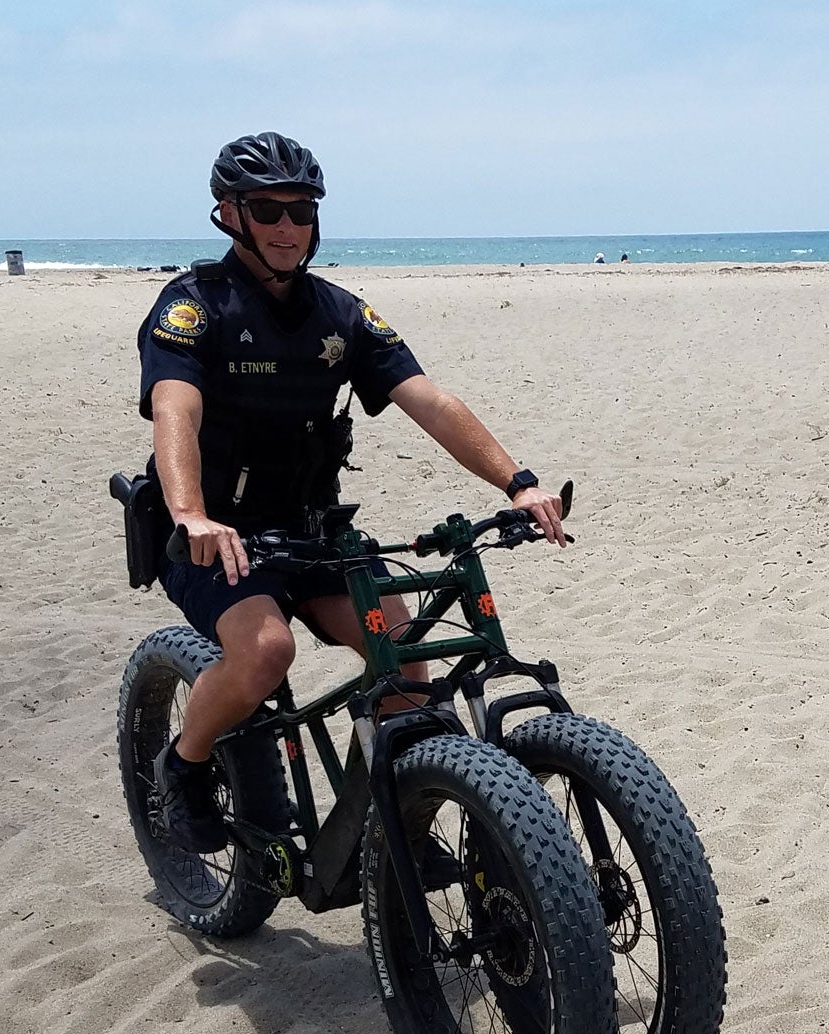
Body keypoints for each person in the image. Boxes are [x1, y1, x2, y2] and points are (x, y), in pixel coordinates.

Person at [137, 131, 565, 853]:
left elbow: (427, 399)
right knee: (267, 651)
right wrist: (190, 513)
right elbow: (175, 406)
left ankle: (393, 821)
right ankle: (183, 765)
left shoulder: (341, 314)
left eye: (300, 211)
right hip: (220, 539)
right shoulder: (194, 306)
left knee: (404, 658)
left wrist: (518, 483)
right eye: (267, 210)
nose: (286, 227)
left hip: (311, 531)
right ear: (229, 215)